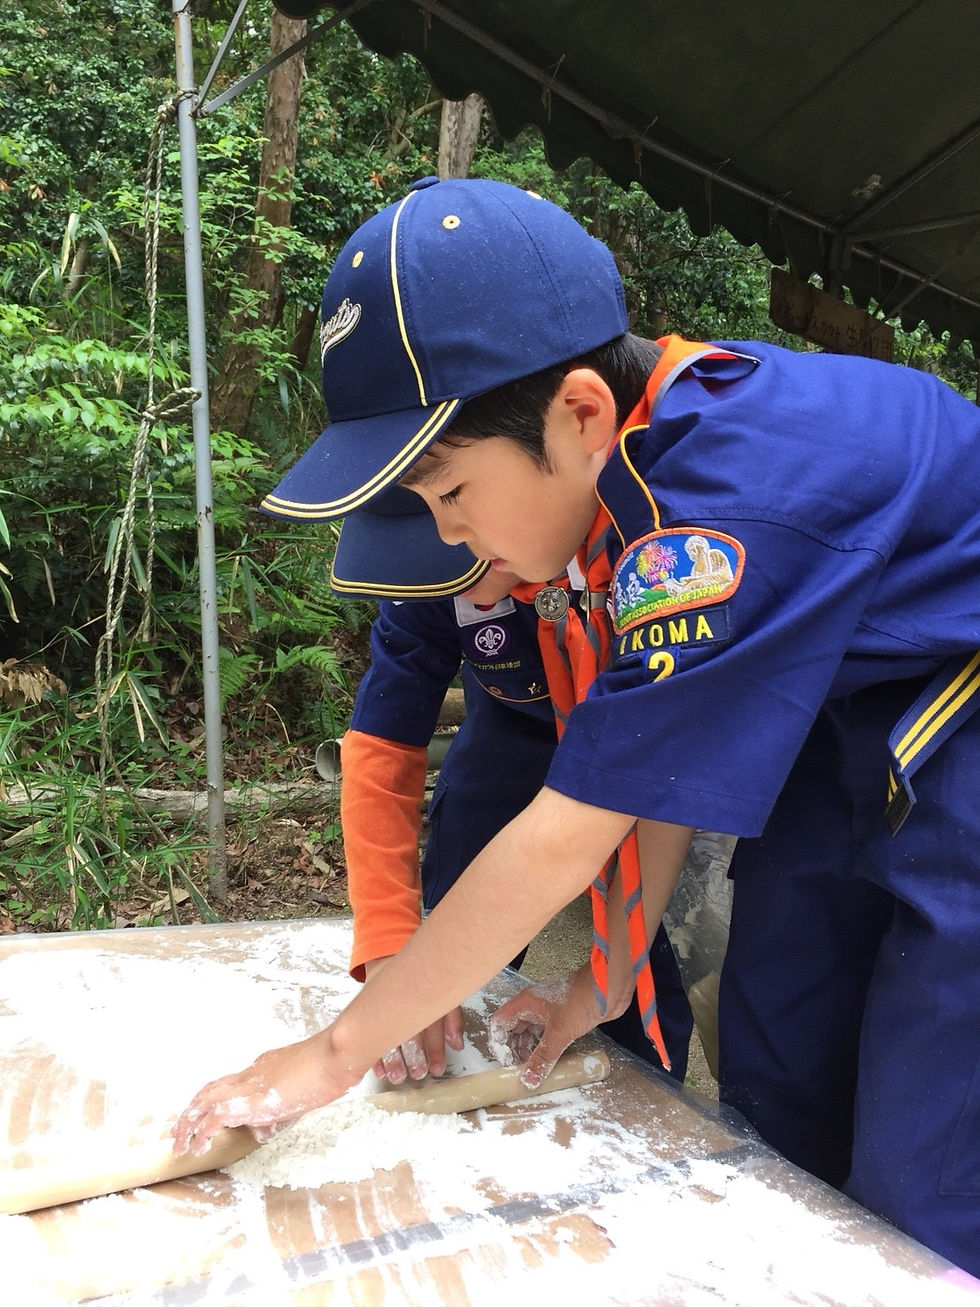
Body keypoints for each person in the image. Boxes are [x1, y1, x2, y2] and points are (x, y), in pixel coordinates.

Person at [175, 177, 980, 1276]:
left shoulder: (709, 507)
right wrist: (602, 978)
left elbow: (572, 826)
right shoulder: (628, 490)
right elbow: (650, 771)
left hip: (956, 721)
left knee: (925, 1160)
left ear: (580, 414)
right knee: (778, 1055)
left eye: (449, 491)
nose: (448, 534)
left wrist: (332, 1051)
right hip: (848, 717)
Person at [329, 495, 692, 1084]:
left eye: (474, 565)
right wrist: (391, 941)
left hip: (632, 751)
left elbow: (678, 743)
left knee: (640, 959)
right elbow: (382, 747)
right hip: (506, 744)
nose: (463, 592)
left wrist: (612, 972)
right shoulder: (421, 568)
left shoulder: (642, 539)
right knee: (445, 948)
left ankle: (650, 1080)